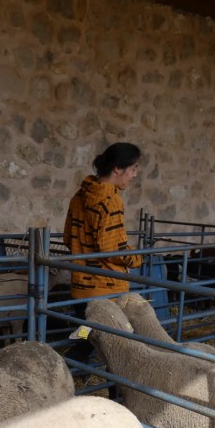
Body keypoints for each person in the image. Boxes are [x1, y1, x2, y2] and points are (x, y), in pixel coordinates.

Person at [62, 142, 144, 363]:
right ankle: (113, 392)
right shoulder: (109, 200)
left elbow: (68, 238)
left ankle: (63, 376)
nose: (135, 175)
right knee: (116, 347)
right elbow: (111, 248)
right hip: (108, 292)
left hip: (81, 289)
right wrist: (136, 257)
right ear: (117, 168)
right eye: (133, 168)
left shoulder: (80, 196)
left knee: (85, 337)